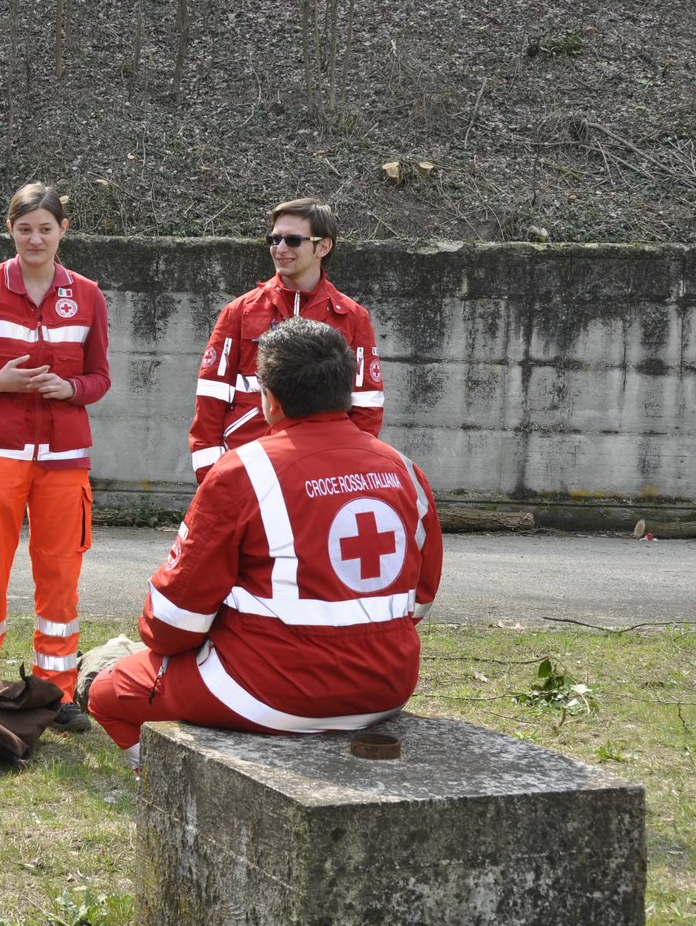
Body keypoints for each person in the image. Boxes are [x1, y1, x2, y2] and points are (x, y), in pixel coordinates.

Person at [85, 318, 441, 769]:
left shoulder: (243, 471)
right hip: (388, 686)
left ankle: (176, 793)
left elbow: (174, 621)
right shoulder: (404, 469)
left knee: (109, 692)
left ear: (269, 401)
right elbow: (420, 599)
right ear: (347, 393)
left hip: (269, 691)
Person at [0, 183, 112, 731]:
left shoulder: (87, 295)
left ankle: (55, 692)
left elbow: (101, 376)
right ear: (9, 230)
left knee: (60, 573)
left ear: (64, 230)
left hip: (65, 457)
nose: (35, 238)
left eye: (45, 228)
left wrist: (73, 390)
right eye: (24, 228)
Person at [188, 198, 384, 483]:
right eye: (274, 239)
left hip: (320, 471)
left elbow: (367, 404)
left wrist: (346, 467)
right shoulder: (240, 311)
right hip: (246, 463)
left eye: (292, 240)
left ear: (323, 246)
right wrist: (210, 472)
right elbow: (210, 397)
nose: (280, 249)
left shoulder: (352, 317)